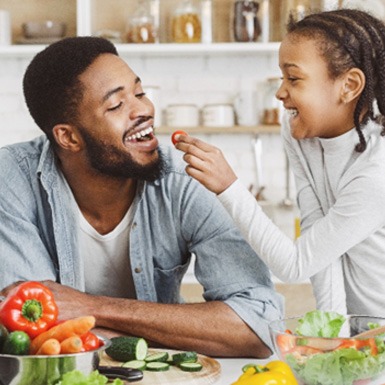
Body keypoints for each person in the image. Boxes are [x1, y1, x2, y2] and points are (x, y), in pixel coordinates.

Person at [0, 36, 283, 358]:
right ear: (69, 137)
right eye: (117, 105)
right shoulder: (11, 179)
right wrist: (179, 331)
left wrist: (93, 308)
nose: (145, 110)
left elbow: (260, 329)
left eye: (140, 92)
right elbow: (29, 331)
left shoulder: (186, 181)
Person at [175, 8, 385, 317]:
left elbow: (295, 265)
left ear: (349, 86)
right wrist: (334, 337)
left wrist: (229, 188)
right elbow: (318, 246)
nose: (280, 92)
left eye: (294, 78)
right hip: (364, 334)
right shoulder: (300, 132)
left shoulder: (376, 172)